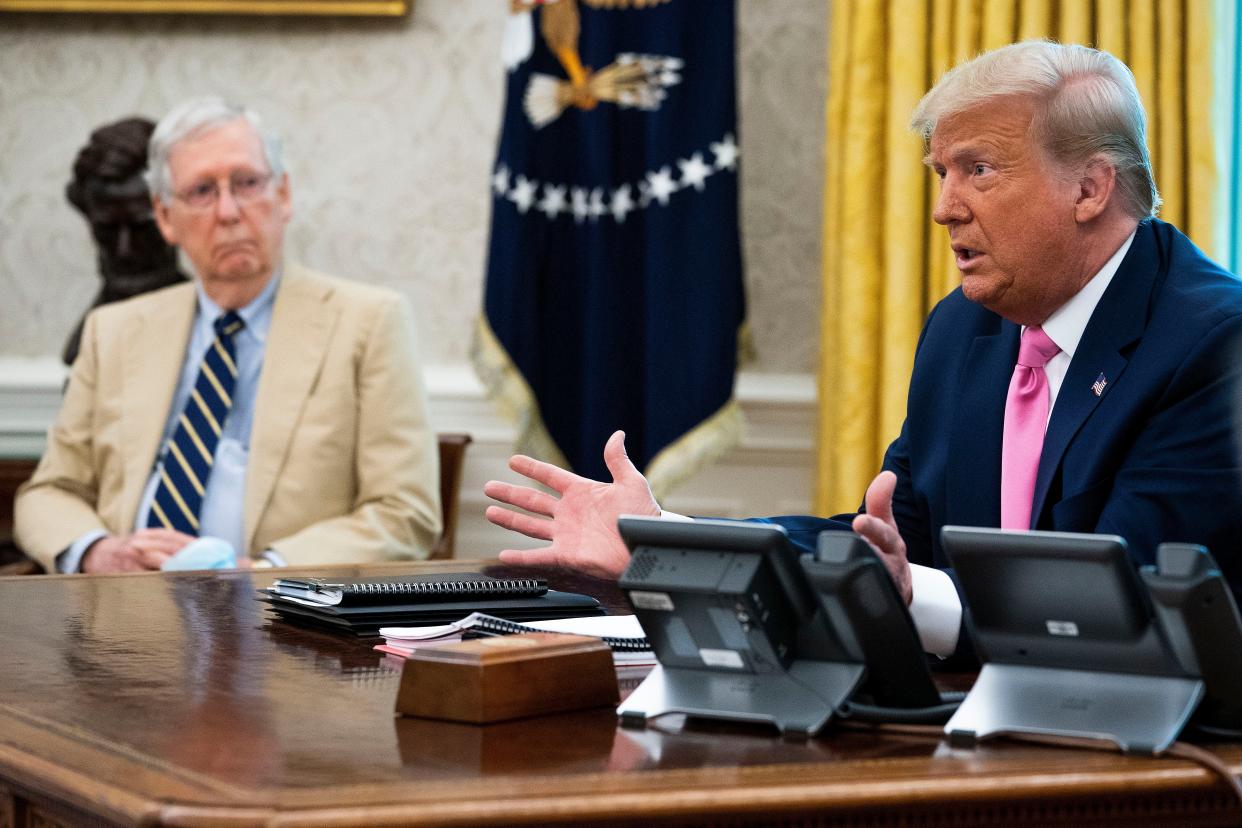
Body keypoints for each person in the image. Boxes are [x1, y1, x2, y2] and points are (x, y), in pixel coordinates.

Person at [483, 41, 1242, 660]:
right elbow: (889, 535)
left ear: (1090, 188)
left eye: (978, 169)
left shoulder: (1213, 344)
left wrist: (916, 597)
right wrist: (669, 546)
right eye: (941, 174)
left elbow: (1129, 608)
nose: (945, 208)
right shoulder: (964, 330)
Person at [15, 97, 441, 573]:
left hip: (282, 623)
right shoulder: (113, 330)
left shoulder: (368, 323)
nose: (229, 211)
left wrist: (263, 572)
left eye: (247, 183)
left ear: (283, 195)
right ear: (164, 217)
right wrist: (96, 552)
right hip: (121, 613)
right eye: (201, 191)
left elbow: (405, 513)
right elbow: (49, 492)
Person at [63, 117, 188, 367]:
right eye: (107, 230)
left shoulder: (208, 330)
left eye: (142, 229)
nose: (124, 249)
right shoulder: (90, 341)